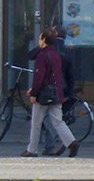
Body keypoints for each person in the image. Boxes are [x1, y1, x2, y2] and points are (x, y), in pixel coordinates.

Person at [22, 27, 78, 158]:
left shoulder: (42, 55)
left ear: (43, 40)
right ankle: (71, 141)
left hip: (44, 93)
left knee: (36, 122)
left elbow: (39, 76)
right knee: (58, 121)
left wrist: (34, 93)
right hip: (56, 92)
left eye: (41, 38)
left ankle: (32, 149)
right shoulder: (56, 54)